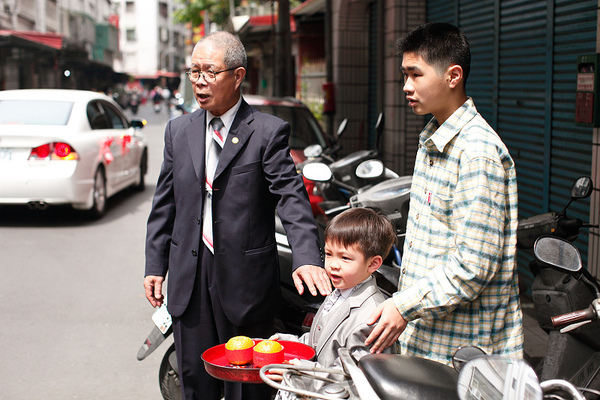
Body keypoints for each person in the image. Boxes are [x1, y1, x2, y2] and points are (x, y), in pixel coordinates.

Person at [143, 31, 331, 400]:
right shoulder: (177, 131)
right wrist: (155, 265)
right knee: (195, 381)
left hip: (245, 283)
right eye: (194, 71)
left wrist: (307, 257)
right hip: (189, 279)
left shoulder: (267, 132)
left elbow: (290, 198)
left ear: (237, 75)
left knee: (248, 387)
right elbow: (164, 204)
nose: (199, 81)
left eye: (210, 72)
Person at [365, 22, 524, 365]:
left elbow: (473, 266)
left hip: (462, 354)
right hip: (427, 342)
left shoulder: (476, 152)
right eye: (404, 75)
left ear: (453, 76)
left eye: (415, 75)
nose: (406, 86)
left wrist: (403, 306)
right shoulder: (433, 139)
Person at [271, 207, 396, 398]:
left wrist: (303, 373)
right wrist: (289, 345)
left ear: (373, 263)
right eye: (329, 254)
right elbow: (320, 343)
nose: (333, 265)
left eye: (345, 258)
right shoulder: (339, 292)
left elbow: (355, 377)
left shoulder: (371, 316)